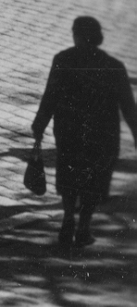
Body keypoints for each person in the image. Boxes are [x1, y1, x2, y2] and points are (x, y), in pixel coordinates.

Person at [30, 16, 137, 251]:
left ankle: (68, 219)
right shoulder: (113, 66)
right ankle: (84, 227)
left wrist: (39, 125)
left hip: (70, 131)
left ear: (77, 35)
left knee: (69, 175)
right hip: (103, 134)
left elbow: (50, 96)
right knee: (95, 179)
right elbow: (128, 107)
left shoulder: (63, 60)